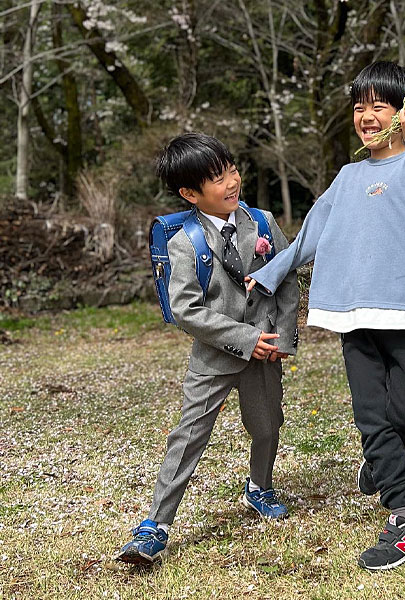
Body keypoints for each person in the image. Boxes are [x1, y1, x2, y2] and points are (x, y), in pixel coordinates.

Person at [247, 61, 405, 571]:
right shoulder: (347, 177)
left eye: (379, 106)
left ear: (404, 113)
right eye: (359, 107)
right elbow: (309, 238)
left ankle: (381, 467)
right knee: (371, 414)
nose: (366, 116)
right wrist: (272, 272)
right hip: (354, 314)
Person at [116, 133, 299, 565]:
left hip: (266, 353)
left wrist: (283, 338)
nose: (232, 181)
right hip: (214, 358)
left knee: (268, 425)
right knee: (189, 437)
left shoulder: (264, 223)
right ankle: (156, 526)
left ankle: (260, 486)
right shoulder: (185, 242)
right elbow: (186, 310)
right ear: (190, 193)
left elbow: (287, 277)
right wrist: (243, 339)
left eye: (231, 169)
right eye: (218, 178)